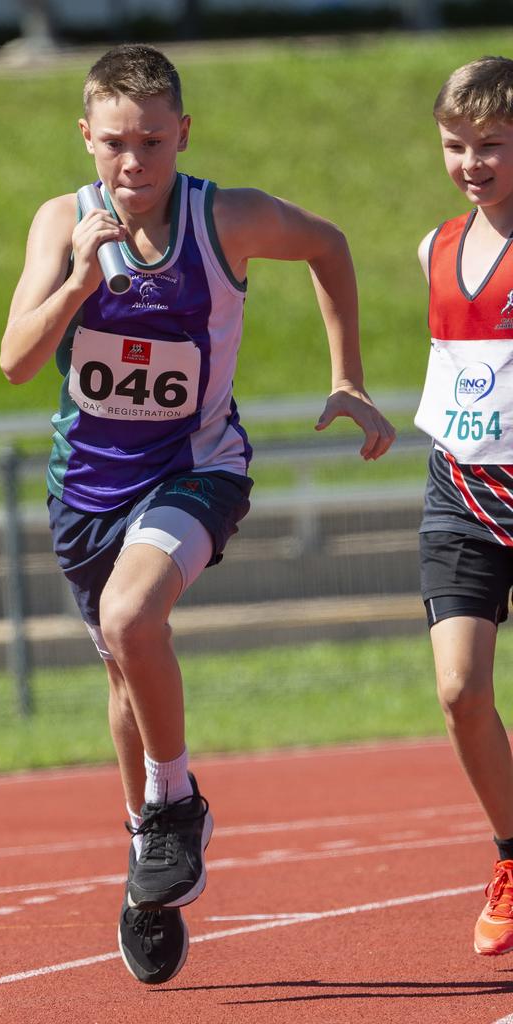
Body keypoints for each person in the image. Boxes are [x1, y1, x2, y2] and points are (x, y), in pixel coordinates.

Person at [0, 43, 395, 984]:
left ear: (183, 133)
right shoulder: (63, 222)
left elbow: (330, 244)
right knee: (123, 674)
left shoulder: (225, 218)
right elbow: (17, 359)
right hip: (85, 492)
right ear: (86, 139)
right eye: (113, 145)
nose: (133, 164)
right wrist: (77, 284)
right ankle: (148, 860)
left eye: (151, 142)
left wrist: (346, 378)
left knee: (133, 618)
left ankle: (174, 805)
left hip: (197, 469)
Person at [414, 55, 513, 957]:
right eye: (456, 144)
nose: (471, 161)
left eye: (490, 144)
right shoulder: (437, 247)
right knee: (458, 689)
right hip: (460, 492)